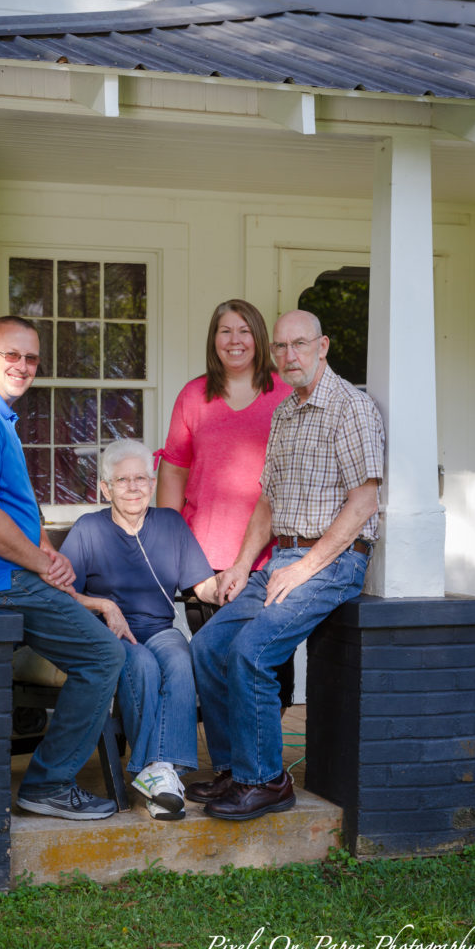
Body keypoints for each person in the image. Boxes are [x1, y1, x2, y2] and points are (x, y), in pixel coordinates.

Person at [188, 309, 385, 822]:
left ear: (323, 346)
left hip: (334, 561)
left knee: (252, 650)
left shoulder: (351, 408)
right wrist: (240, 566)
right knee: (210, 646)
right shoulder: (285, 412)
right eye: (279, 347)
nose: (287, 356)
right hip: (282, 556)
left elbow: (364, 503)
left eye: (299, 344)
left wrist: (304, 569)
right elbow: (267, 503)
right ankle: (236, 770)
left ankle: (267, 782)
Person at [0, 315, 125, 821]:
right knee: (103, 657)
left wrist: (48, 555)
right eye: (11, 356)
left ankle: (52, 779)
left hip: (11, 572)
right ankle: (48, 784)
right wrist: (42, 567)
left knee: (98, 631)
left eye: (31, 359)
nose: (23, 366)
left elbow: (13, 507)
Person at [60, 440, 218, 821]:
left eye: (141, 478)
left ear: (152, 482)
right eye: (122, 480)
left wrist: (235, 587)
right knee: (143, 665)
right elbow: (61, 592)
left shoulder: (170, 523)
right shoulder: (89, 530)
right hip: (110, 635)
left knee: (180, 658)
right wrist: (104, 605)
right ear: (105, 488)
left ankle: (161, 775)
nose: (133, 487)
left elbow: (203, 586)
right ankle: (160, 778)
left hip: (159, 627)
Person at [156, 298, 294, 704]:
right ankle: (230, 764)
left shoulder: (285, 395)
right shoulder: (194, 395)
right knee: (215, 667)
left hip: (269, 558)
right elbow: (175, 469)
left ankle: (257, 760)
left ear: (259, 338)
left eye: (244, 331)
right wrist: (171, 546)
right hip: (205, 558)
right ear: (213, 339)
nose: (234, 341)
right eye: (225, 331)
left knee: (269, 672)